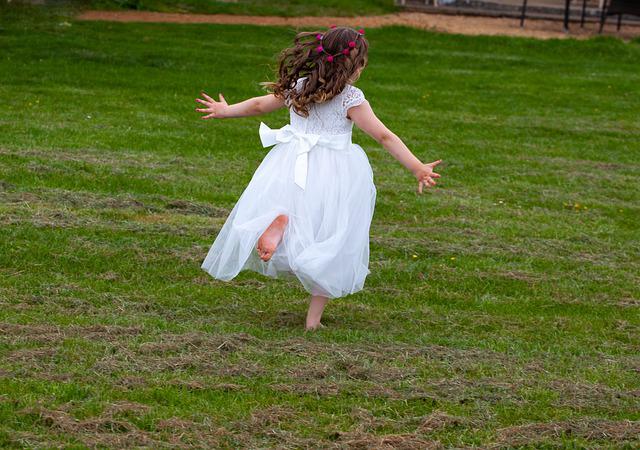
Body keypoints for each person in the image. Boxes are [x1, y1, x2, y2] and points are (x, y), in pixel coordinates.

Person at [196, 26, 442, 331]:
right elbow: (383, 136)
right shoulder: (350, 98)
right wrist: (417, 167)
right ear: (357, 66)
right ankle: (313, 321)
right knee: (334, 237)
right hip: (336, 171)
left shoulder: (301, 85)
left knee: (301, 218)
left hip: (291, 162)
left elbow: (260, 105)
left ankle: (280, 227)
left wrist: (225, 110)